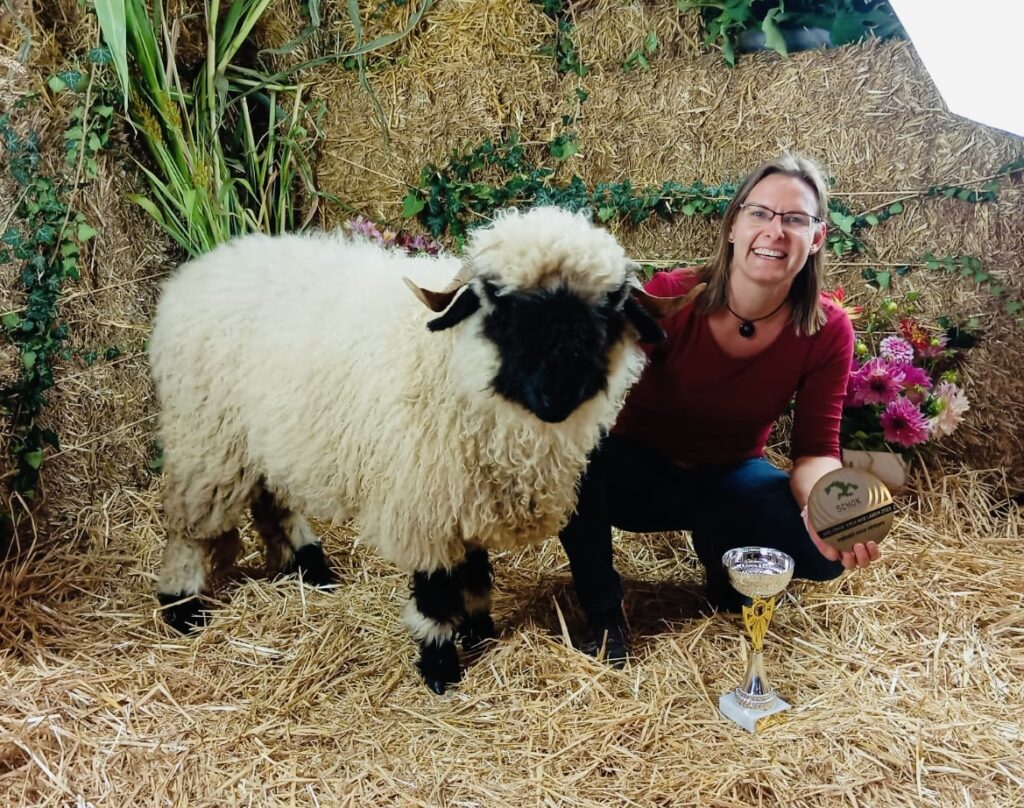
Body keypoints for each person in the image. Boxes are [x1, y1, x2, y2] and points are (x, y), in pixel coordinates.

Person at [558, 153, 881, 664]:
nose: (775, 231)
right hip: (635, 475)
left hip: (727, 479)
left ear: (817, 237)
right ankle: (604, 614)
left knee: (823, 556)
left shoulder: (827, 329)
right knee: (572, 466)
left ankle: (721, 556)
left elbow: (816, 450)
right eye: (760, 213)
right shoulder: (669, 297)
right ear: (733, 225)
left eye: (795, 219)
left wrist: (830, 509)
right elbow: (590, 397)